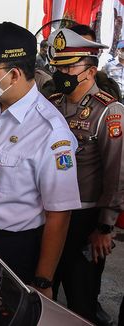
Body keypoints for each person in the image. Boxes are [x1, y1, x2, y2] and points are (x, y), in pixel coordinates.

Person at [0, 22, 81, 297]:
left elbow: (59, 213)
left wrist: (43, 281)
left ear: (14, 74)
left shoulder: (49, 131)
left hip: (10, 248)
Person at [47, 27, 124, 324]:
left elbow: (116, 174)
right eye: (59, 65)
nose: (61, 72)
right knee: (47, 288)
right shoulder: (53, 103)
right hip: (50, 214)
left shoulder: (109, 111)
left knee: (81, 298)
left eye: (69, 66)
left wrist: (105, 227)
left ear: (90, 71)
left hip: (85, 218)